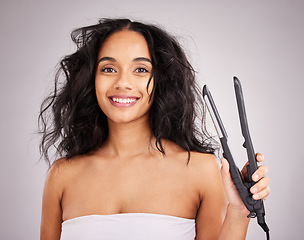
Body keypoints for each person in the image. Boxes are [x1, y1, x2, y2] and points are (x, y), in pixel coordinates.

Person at [39, 18, 270, 240]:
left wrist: (239, 212)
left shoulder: (200, 170)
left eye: (140, 70)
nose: (123, 82)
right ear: (91, 79)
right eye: (108, 69)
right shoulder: (62, 176)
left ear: (162, 80)